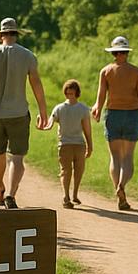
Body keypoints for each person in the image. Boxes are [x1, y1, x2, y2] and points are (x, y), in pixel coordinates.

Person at [0, 17, 49, 208]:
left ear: (0, 36)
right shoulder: (28, 56)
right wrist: (43, 111)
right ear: (16, 34)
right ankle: (11, 195)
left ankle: (0, 186)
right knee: (17, 157)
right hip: (18, 114)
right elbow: (37, 85)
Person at [91, 36, 138, 211]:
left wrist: (97, 109)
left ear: (114, 53)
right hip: (132, 114)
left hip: (113, 115)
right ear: (126, 52)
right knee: (128, 157)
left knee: (115, 157)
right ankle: (122, 186)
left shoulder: (106, 71)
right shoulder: (136, 72)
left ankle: (118, 191)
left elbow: (101, 96)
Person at [44, 78, 93, 209]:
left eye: (72, 93)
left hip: (79, 144)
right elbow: (50, 122)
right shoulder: (59, 108)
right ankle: (66, 197)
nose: (70, 95)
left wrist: (90, 146)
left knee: (79, 171)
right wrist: (44, 125)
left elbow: (87, 130)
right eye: (68, 93)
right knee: (66, 171)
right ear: (65, 93)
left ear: (77, 93)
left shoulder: (83, 109)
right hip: (65, 144)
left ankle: (75, 194)